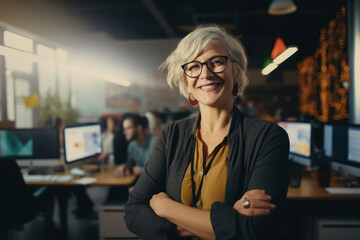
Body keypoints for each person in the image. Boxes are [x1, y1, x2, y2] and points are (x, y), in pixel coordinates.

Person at [124, 25, 290, 239]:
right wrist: (229, 219)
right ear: (187, 82)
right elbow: (133, 212)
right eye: (193, 66)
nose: (205, 73)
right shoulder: (171, 134)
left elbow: (254, 229)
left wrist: (165, 208)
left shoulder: (268, 137)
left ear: (236, 74)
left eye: (217, 62)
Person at [114, 114, 157, 184]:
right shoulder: (131, 145)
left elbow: (157, 170)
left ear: (139, 128)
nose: (124, 132)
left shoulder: (155, 143)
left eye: (127, 128)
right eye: (124, 129)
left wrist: (140, 170)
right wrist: (125, 166)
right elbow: (131, 162)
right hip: (140, 182)